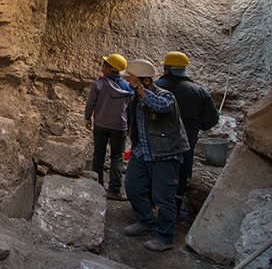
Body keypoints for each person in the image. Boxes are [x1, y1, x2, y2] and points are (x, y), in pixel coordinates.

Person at [122, 59, 190, 252]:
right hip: (143, 153)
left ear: (144, 81)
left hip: (165, 155)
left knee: (163, 198)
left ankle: (165, 237)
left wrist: (141, 90)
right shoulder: (137, 97)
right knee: (133, 187)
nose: (129, 85)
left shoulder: (165, 95)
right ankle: (146, 221)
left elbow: (162, 107)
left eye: (132, 81)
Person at [154, 51, 219, 219]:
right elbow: (211, 120)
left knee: (155, 172)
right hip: (186, 143)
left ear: (166, 69)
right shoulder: (199, 92)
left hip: (158, 142)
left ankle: (150, 208)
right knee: (181, 175)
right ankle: (174, 211)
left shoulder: (155, 88)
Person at [84, 53, 133, 201]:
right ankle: (115, 190)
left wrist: (88, 118)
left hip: (101, 124)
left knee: (99, 154)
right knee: (117, 157)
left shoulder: (98, 84)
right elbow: (130, 109)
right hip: (120, 126)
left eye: (104, 66)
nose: (102, 68)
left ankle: (97, 185)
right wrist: (129, 125)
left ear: (110, 68)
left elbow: (90, 104)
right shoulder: (128, 87)